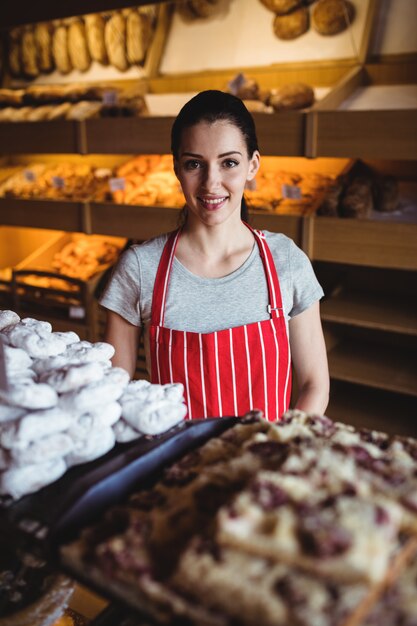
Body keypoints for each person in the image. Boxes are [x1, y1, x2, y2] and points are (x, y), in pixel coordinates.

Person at [100, 90, 329, 421]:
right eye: (194, 164)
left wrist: (281, 448)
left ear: (253, 165)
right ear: (177, 168)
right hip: (175, 466)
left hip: (265, 460)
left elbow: (313, 385)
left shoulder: (286, 262)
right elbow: (114, 394)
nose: (211, 183)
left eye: (229, 163)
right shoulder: (139, 268)